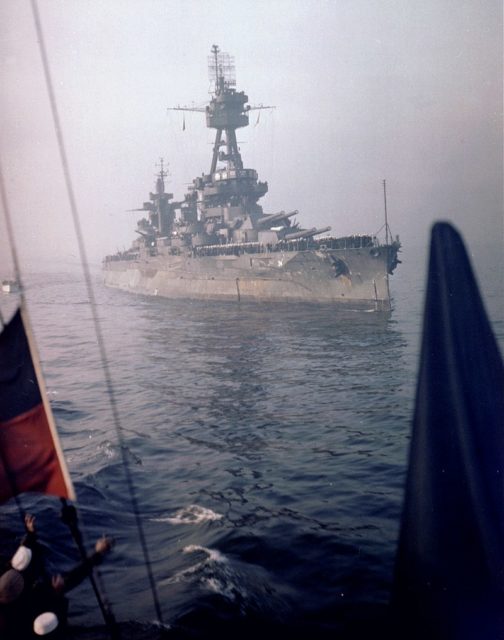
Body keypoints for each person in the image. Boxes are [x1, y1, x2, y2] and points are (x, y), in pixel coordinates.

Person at [0, 513, 113, 638]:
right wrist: (58, 596)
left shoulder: (6, 582)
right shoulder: (32, 603)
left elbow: (16, 563)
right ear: (22, 589)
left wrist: (30, 535)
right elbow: (73, 577)